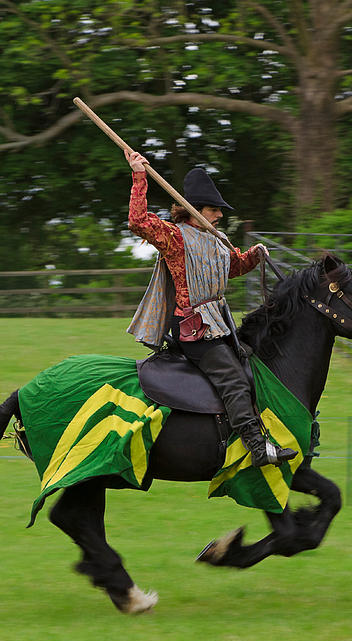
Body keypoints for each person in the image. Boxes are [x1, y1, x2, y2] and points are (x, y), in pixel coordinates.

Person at [124, 150, 296, 467]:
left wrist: (253, 256)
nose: (219, 215)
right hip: (194, 330)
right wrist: (139, 175)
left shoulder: (216, 239)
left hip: (221, 325)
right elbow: (137, 221)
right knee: (232, 379)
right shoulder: (175, 237)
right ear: (195, 210)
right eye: (213, 209)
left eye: (218, 210)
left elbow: (231, 268)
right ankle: (258, 449)